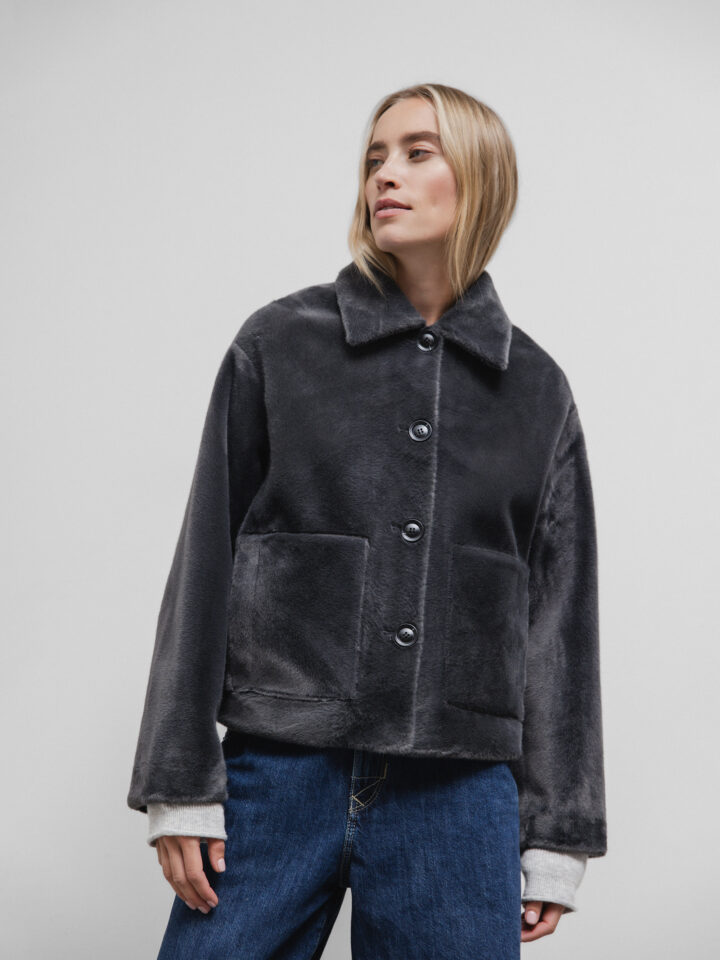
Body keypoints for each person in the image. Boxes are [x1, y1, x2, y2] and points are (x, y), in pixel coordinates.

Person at [127, 83, 607, 959]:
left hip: (458, 796)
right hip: (278, 773)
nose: (386, 173)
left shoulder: (537, 389)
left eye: (418, 152)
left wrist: (558, 831)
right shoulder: (280, 344)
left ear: (482, 177)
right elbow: (203, 566)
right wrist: (179, 780)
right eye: (375, 157)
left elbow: (559, 623)